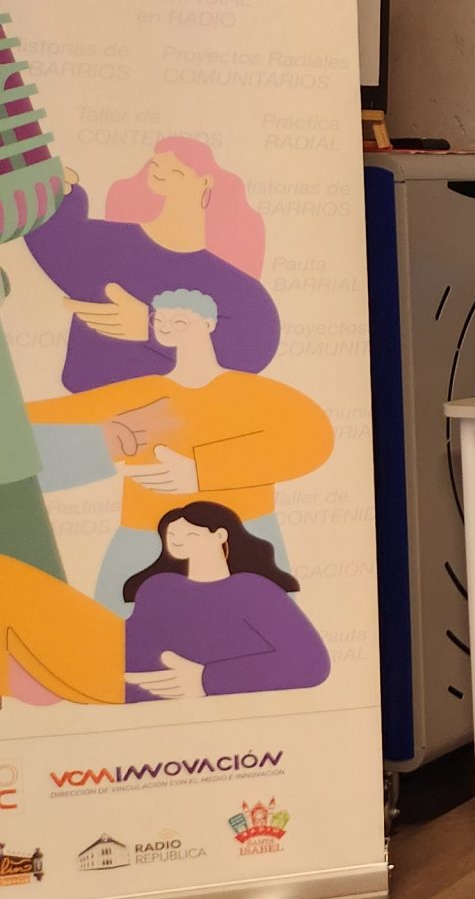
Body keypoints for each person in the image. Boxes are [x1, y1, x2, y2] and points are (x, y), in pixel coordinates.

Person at [25, 288, 331, 612]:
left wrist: (201, 471)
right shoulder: (143, 392)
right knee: (120, 628)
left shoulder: (255, 393)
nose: (168, 328)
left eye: (180, 321)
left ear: (209, 324)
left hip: (244, 531)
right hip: (144, 536)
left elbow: (314, 440)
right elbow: (48, 414)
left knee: (260, 622)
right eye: (161, 322)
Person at [0, 499, 329, 707]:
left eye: (190, 534)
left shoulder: (253, 590)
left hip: (122, 677)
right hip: (106, 649)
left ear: (220, 535)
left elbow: (310, 663)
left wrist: (206, 679)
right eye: (173, 535)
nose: (179, 540)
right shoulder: (160, 585)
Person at [23, 142, 279, 389]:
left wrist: (152, 327)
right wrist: (61, 196)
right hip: (87, 405)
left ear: (206, 182)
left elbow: (256, 344)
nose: (163, 162)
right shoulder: (108, 245)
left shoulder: (232, 285)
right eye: (158, 161)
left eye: (179, 164)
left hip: (183, 413)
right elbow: (58, 245)